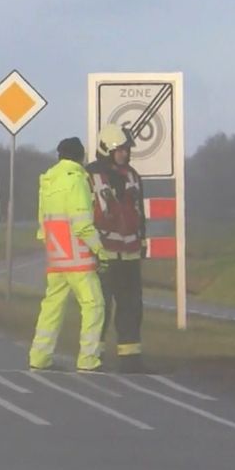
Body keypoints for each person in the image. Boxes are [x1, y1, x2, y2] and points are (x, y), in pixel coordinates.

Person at [29, 137, 108, 372]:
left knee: (51, 307)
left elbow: (43, 224)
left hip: (56, 256)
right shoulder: (77, 180)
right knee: (94, 305)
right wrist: (100, 251)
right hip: (79, 257)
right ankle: (88, 359)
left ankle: (39, 357)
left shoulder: (48, 181)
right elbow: (82, 224)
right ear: (80, 157)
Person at [88, 124, 148, 373]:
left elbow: (139, 213)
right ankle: (94, 356)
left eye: (126, 149)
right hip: (104, 253)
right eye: (120, 149)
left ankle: (130, 357)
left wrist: (142, 241)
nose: (125, 154)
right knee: (100, 307)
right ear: (107, 149)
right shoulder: (90, 177)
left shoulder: (133, 176)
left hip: (130, 253)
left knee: (132, 306)